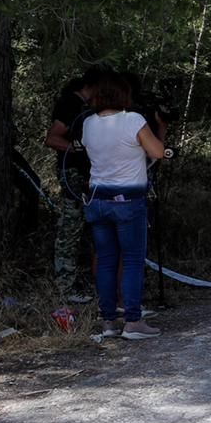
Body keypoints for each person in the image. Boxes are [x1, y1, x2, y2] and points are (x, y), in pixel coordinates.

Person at [80, 72, 166, 340]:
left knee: (105, 260)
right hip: (128, 200)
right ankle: (133, 321)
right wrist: (160, 129)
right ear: (122, 95)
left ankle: (108, 321)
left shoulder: (88, 124)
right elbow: (157, 152)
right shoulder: (133, 120)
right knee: (131, 260)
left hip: (97, 200)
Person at [46, 73, 96, 299]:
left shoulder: (85, 106)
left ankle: (79, 280)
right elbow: (52, 138)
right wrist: (77, 149)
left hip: (86, 174)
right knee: (71, 225)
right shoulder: (70, 103)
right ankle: (65, 285)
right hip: (73, 174)